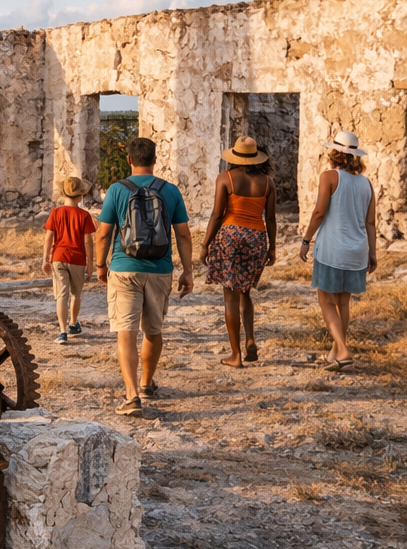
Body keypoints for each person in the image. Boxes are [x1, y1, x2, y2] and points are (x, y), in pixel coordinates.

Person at [96, 137, 193, 417]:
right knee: (153, 330)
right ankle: (147, 383)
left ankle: (131, 396)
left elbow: (103, 232)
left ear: (129, 160)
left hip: (124, 268)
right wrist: (187, 271)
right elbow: (183, 234)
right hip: (160, 269)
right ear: (155, 160)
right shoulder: (170, 191)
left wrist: (101, 265)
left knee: (125, 333)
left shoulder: (116, 190)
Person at [299, 130, 377, 370]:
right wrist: (372, 253)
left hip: (332, 250)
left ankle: (343, 351)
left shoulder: (329, 177)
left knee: (325, 301)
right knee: (343, 303)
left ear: (334, 152)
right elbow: (371, 222)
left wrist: (306, 240)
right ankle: (335, 353)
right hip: (357, 251)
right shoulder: (366, 183)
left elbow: (319, 212)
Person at [202, 136, 278, 367]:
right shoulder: (268, 182)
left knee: (230, 297)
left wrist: (206, 243)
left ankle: (236, 355)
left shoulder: (226, 179)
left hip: (230, 235)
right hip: (256, 236)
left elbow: (217, 214)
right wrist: (272, 247)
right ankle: (251, 339)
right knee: (245, 292)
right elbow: (272, 218)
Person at [42, 175, 97, 344]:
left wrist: (46, 259)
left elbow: (49, 237)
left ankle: (62, 331)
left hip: (58, 257)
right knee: (76, 294)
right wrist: (90, 264)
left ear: (63, 194)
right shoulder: (84, 215)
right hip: (78, 259)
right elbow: (89, 241)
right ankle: (73, 323)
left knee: (61, 295)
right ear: (81, 196)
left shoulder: (55, 212)